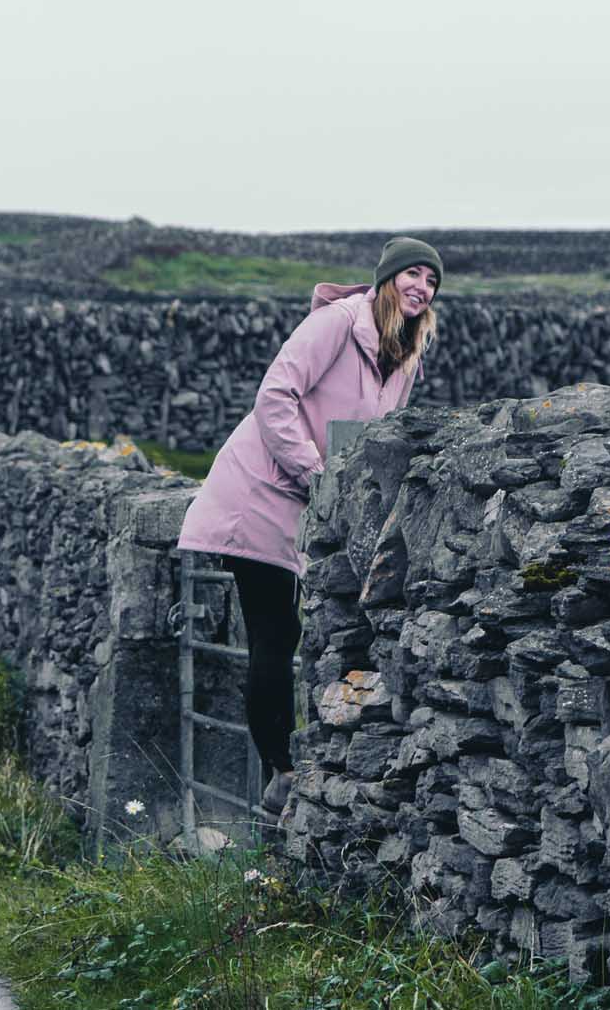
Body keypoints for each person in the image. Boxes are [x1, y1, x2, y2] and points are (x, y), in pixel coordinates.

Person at [176, 236, 443, 814]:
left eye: (431, 280)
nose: (421, 286)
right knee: (275, 635)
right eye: (412, 275)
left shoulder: (405, 351)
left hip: (315, 508)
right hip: (263, 491)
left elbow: (384, 434)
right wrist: (315, 471)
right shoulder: (337, 324)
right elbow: (276, 394)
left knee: (312, 631)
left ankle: (307, 759)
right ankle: (281, 770)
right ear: (386, 279)